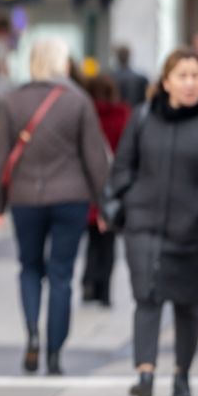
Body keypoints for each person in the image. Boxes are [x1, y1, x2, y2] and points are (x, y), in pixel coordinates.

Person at [106, 48, 198, 396]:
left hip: (193, 230)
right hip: (143, 226)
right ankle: (145, 373)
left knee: (187, 304)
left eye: (196, 76)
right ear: (166, 82)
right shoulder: (143, 119)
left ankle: (182, 374)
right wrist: (129, 199)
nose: (190, 83)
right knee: (146, 297)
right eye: (182, 76)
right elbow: (122, 167)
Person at [0, 38, 109, 376]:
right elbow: (95, 159)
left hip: (26, 198)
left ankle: (33, 335)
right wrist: (105, 207)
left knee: (29, 268)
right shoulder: (78, 101)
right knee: (62, 274)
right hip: (71, 197)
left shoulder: (13, 102)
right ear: (63, 62)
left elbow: (0, 159)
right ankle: (55, 352)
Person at [81, 75, 130, 306]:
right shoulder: (123, 115)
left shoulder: (85, 113)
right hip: (112, 186)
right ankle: (105, 292)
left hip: (88, 185)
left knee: (92, 239)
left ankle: (89, 282)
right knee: (108, 242)